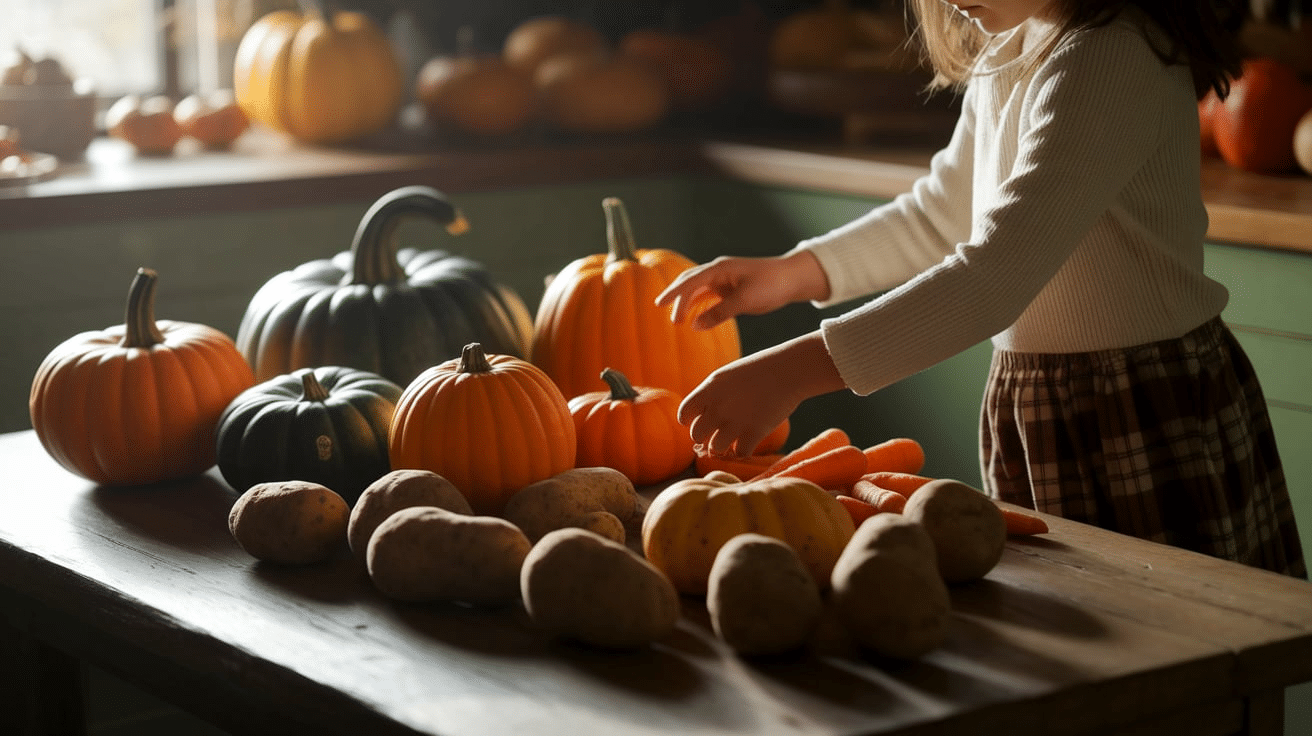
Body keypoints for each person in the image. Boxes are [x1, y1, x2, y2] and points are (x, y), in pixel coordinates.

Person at [655, 0, 1306, 577]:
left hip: (1142, 406)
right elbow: (943, 213)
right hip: (1038, 401)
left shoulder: (1111, 55)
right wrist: (793, 272)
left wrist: (795, 371)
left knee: (1184, 645)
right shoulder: (1015, 46)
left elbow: (997, 273)